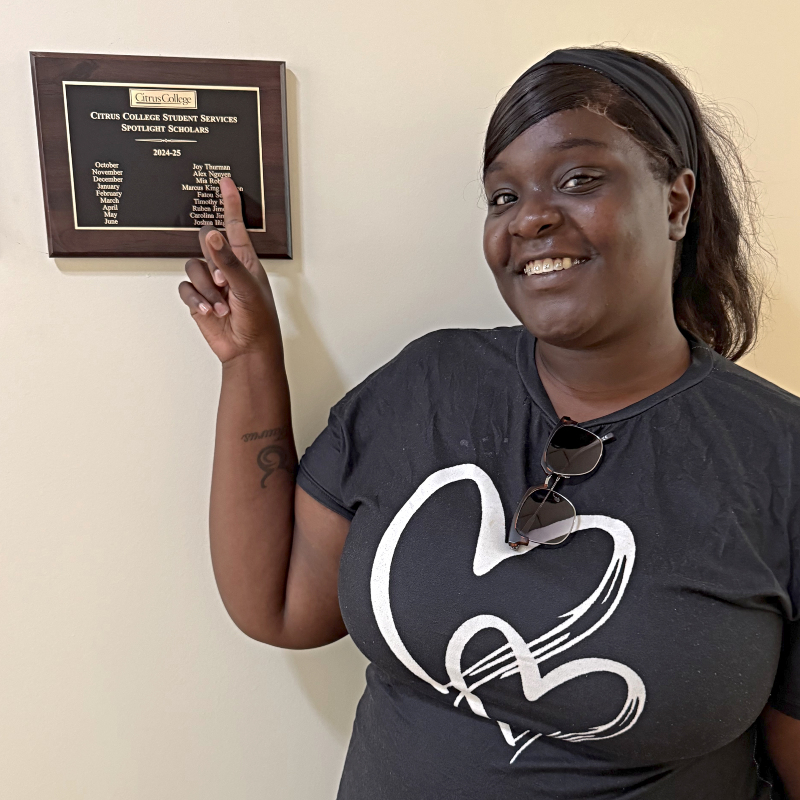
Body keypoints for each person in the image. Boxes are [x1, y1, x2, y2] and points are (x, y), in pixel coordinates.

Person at [177, 46, 800, 799]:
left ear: (675, 202)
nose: (530, 216)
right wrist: (249, 359)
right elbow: (279, 605)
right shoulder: (427, 388)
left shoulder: (779, 457)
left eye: (579, 179)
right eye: (503, 196)